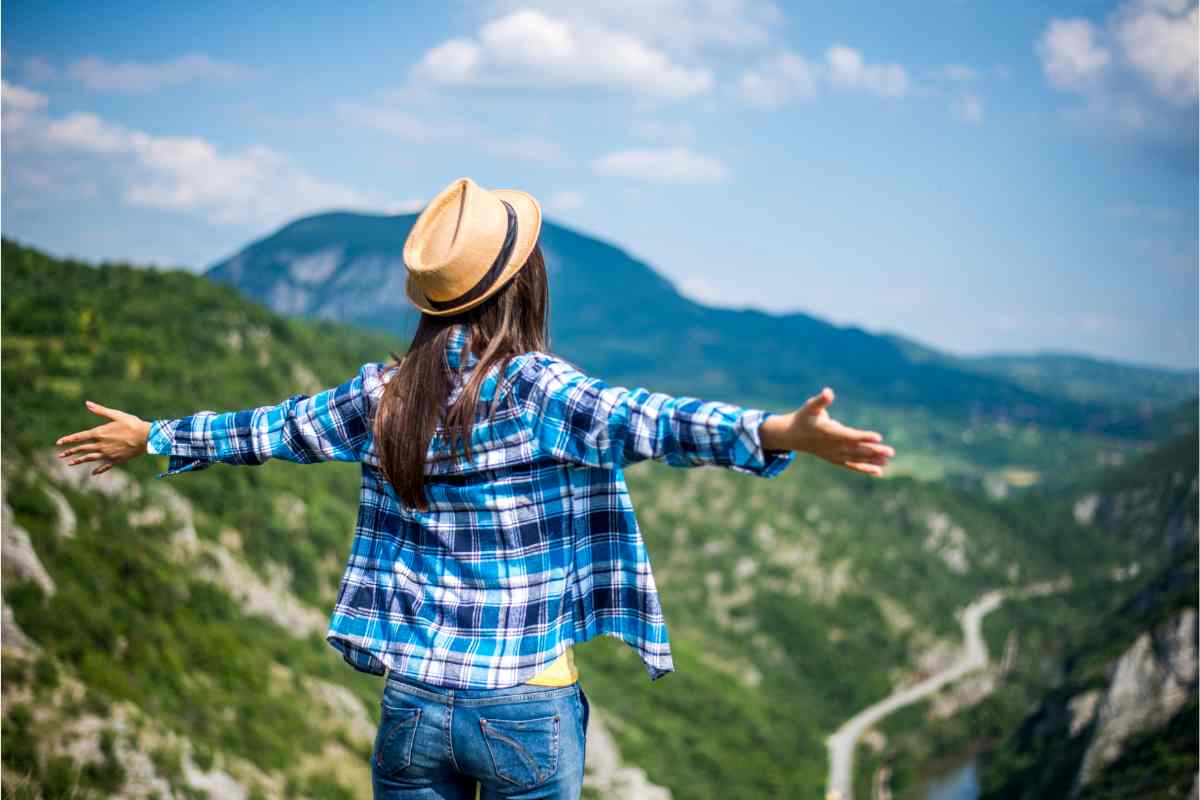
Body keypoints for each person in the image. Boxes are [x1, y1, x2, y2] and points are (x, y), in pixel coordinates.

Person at [54, 176, 895, 799]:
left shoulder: (383, 394)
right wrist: (775, 432)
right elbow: (650, 420)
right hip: (524, 704)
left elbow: (269, 429)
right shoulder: (535, 388)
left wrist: (153, 435)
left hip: (414, 704)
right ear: (525, 284)